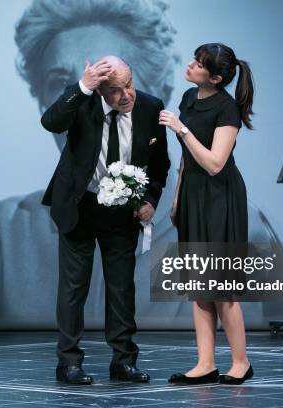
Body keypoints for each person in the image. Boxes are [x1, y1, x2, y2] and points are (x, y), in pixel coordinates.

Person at [0, 0, 283, 331]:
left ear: (147, 87)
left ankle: (125, 359)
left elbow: (259, 325)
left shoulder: (234, 224)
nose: (97, 98)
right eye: (66, 82)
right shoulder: (5, 233)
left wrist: (151, 200)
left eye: (111, 83)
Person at [42, 56, 170, 384]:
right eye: (115, 90)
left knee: (121, 289)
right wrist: (83, 86)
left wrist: (151, 200)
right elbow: (51, 121)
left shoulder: (150, 107)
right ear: (101, 91)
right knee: (73, 289)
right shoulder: (83, 102)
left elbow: (160, 165)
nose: (126, 94)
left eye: (129, 84)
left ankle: (123, 361)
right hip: (80, 205)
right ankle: (68, 362)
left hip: (123, 211)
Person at [159, 43, 255, 385]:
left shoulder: (227, 108)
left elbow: (215, 163)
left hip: (220, 198)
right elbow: (187, 158)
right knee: (199, 285)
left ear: (215, 77)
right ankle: (205, 362)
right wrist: (176, 197)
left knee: (222, 287)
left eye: (198, 64)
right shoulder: (189, 98)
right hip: (194, 195)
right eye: (193, 59)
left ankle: (240, 362)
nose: (190, 65)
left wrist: (181, 129)